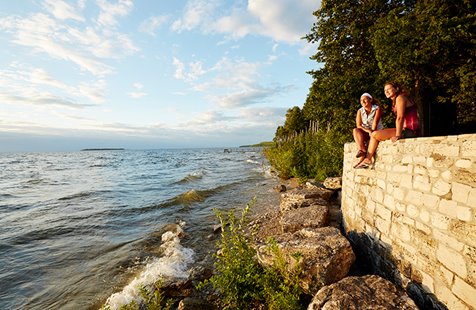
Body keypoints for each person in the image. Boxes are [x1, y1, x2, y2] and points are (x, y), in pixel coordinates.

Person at [355, 82, 420, 169]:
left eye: (388, 89)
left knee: (375, 134)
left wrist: (398, 135)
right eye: (385, 90)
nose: (386, 92)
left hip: (410, 130)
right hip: (405, 129)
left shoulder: (400, 98)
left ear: (396, 89)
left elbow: (400, 117)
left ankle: (368, 159)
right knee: (375, 135)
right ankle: (367, 159)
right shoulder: (396, 99)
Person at [352, 93, 383, 162]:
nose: (362, 102)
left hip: (376, 131)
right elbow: (359, 125)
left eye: (364, 99)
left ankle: (362, 160)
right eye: (361, 100)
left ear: (370, 100)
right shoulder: (360, 111)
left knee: (373, 134)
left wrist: (372, 133)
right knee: (355, 130)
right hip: (366, 131)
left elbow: (375, 123)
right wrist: (368, 131)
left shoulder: (377, 109)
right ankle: (362, 150)